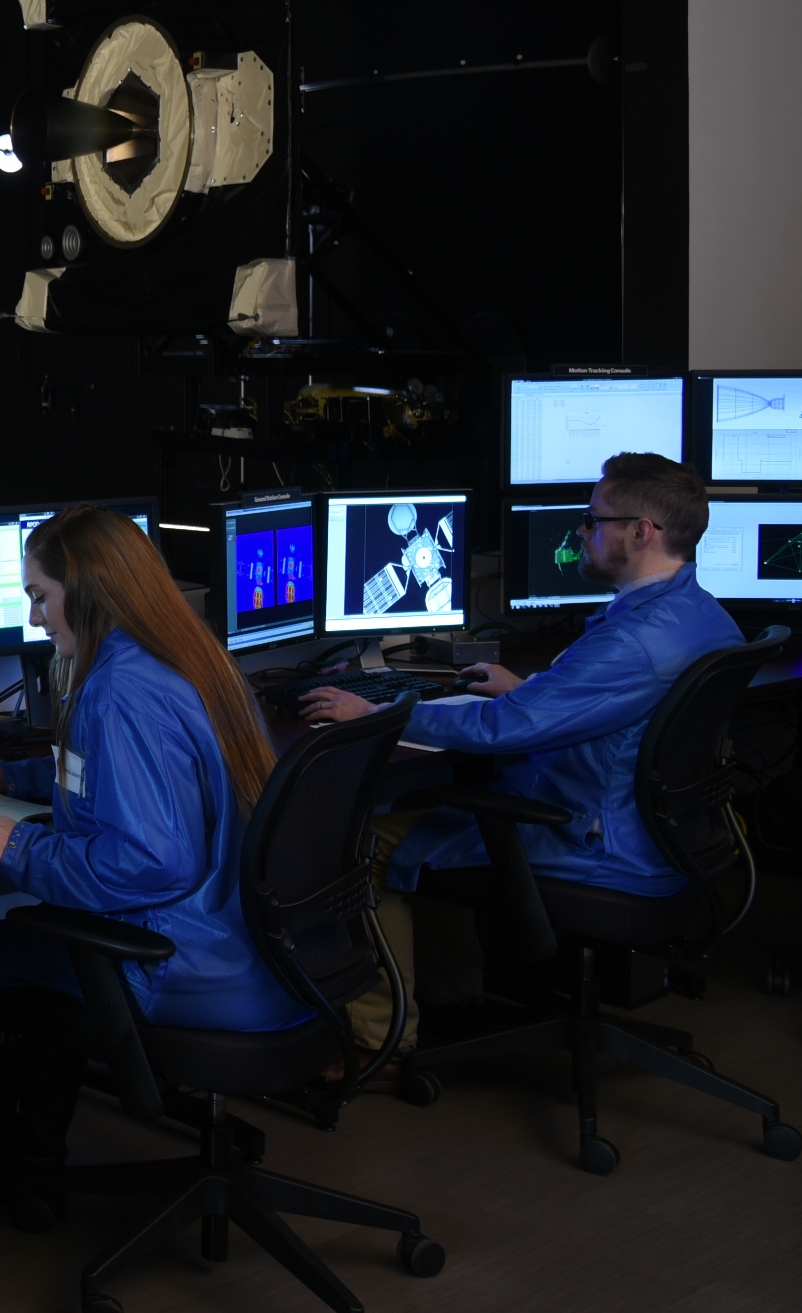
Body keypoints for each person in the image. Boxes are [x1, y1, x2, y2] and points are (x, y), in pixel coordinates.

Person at [0, 506, 297, 1227]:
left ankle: (7, 1161)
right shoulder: (184, 657)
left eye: (39, 596)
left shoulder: (116, 690)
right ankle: (23, 1149)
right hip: (256, 948)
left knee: (3, 950)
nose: (34, 619)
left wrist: (20, 846)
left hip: (184, 961)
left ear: (85, 593)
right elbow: (129, 783)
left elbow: (149, 861)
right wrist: (16, 778)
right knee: (38, 944)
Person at [303, 451, 741, 1054]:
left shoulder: (632, 643)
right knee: (449, 809)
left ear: (641, 532)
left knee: (366, 845)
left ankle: (382, 1046)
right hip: (666, 838)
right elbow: (616, 707)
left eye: (594, 520)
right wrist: (537, 691)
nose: (582, 533)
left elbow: (498, 731)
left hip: (594, 842)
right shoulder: (703, 616)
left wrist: (377, 713)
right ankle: (456, 999)